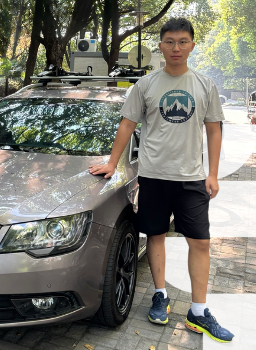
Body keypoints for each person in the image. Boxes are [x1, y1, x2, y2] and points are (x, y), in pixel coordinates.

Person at [88, 17, 234, 343]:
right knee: (154, 235)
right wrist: (112, 163)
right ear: (161, 46)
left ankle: (198, 311)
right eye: (170, 41)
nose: (176, 48)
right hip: (153, 176)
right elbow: (127, 124)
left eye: (183, 42)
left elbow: (213, 128)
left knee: (200, 242)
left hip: (192, 179)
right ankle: (160, 295)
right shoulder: (146, 85)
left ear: (192, 45)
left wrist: (212, 173)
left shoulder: (205, 85)